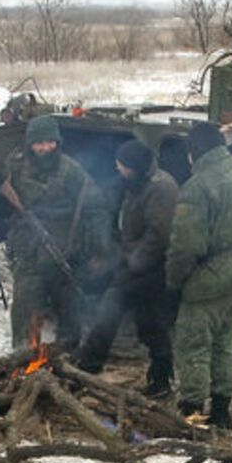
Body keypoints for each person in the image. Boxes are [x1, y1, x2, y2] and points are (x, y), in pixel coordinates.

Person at [0, 115, 107, 348]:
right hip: (29, 251)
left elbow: (95, 208)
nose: (45, 148)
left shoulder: (71, 171)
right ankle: (23, 359)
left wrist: (99, 249)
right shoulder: (16, 166)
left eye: (50, 142)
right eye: (39, 143)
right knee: (26, 307)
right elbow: (0, 200)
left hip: (64, 252)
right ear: (30, 144)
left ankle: (67, 358)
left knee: (69, 312)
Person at [166, 121, 232, 429]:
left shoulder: (197, 186)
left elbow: (186, 245)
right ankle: (221, 411)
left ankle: (192, 413)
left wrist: (174, 281)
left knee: (193, 344)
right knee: (224, 342)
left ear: (193, 153)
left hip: (209, 277)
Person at [74, 138, 179, 397]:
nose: (118, 169)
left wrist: (133, 263)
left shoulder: (161, 189)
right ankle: (161, 380)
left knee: (110, 306)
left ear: (135, 167)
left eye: (122, 166)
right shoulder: (137, 183)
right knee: (151, 322)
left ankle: (87, 367)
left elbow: (159, 235)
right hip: (138, 261)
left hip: (151, 265)